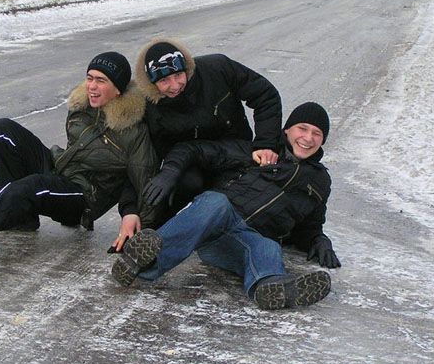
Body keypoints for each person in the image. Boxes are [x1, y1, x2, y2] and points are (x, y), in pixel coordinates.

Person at [111, 102, 341, 310]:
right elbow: (195, 150)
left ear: (323, 140)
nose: (308, 138)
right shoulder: (259, 150)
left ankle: (273, 286)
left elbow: (310, 224)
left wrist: (318, 239)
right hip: (215, 224)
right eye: (302, 128)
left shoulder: (320, 181)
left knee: (268, 246)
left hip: (244, 239)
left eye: (317, 133)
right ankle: (143, 262)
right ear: (287, 130)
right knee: (216, 201)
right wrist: (170, 172)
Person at [0, 51, 159, 254]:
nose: (92, 86)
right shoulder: (83, 108)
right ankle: (20, 218)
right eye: (89, 78)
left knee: (32, 186)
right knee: (2, 130)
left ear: (118, 89)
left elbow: (144, 180)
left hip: (82, 197)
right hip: (59, 168)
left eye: (101, 81)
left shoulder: (133, 132)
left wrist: (138, 222)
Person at [133, 37, 282, 222]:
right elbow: (141, 159)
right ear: (152, 83)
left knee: (246, 198)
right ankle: (160, 228)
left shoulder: (218, 68)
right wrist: (133, 213)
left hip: (233, 152)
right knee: (179, 185)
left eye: (178, 75)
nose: (175, 85)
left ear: (186, 68)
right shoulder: (148, 106)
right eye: (164, 80)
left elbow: (265, 95)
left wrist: (266, 144)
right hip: (188, 162)